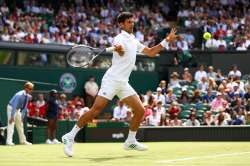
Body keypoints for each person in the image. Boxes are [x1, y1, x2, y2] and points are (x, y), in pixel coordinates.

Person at [62, 12, 177, 157]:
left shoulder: (134, 40)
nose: (132, 24)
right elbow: (120, 49)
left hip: (123, 82)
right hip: (111, 80)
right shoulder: (119, 38)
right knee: (95, 111)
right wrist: (119, 49)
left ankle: (130, 141)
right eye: (129, 22)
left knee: (140, 110)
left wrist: (167, 40)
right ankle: (70, 136)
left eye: (132, 21)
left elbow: (151, 52)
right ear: (121, 24)